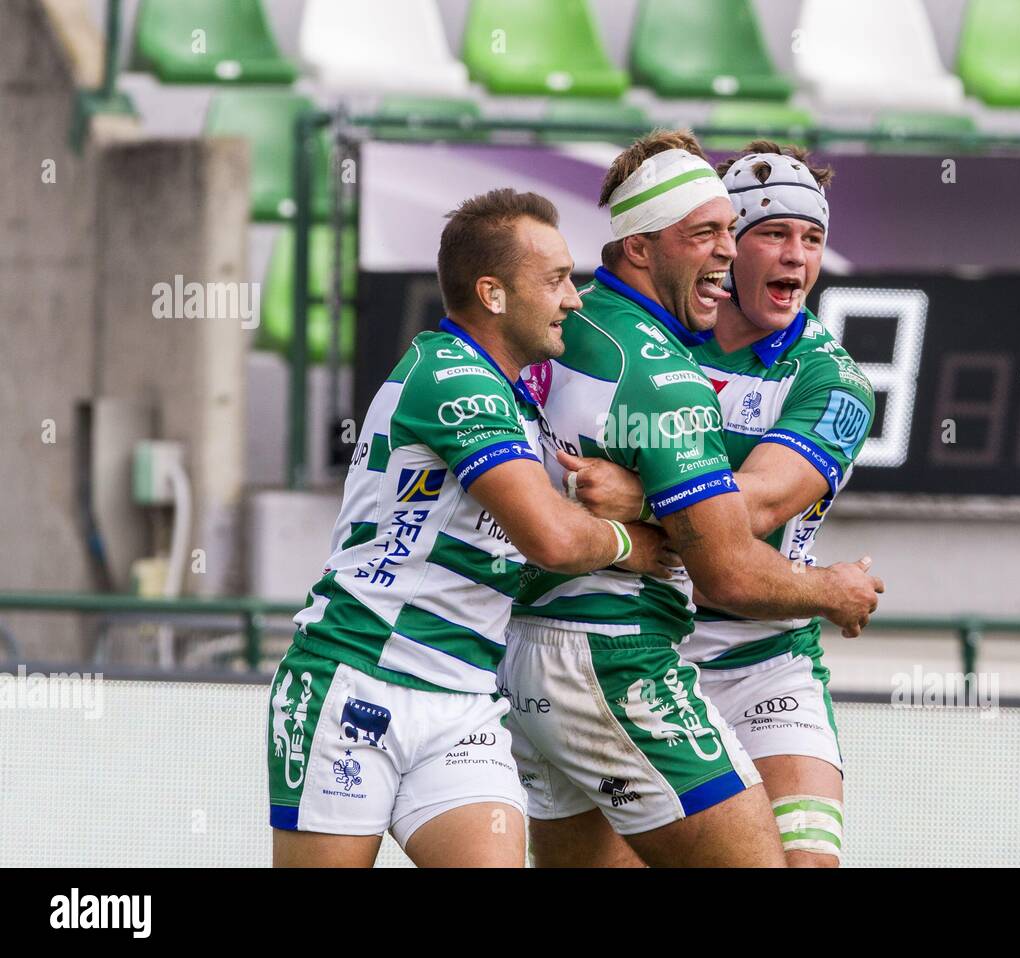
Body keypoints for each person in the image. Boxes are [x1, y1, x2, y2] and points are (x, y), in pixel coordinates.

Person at [502, 131, 884, 867]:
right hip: (644, 644)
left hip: (762, 658)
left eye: (812, 238)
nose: (797, 257)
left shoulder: (832, 380)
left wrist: (642, 497)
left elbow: (763, 508)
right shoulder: (661, 340)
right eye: (769, 234)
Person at [266, 189, 675, 867]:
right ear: (491, 293)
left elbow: (524, 552)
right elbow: (552, 539)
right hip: (357, 678)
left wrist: (627, 500)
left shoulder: (514, 398)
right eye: (554, 280)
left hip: (463, 700)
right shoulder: (454, 378)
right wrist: (636, 543)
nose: (573, 298)